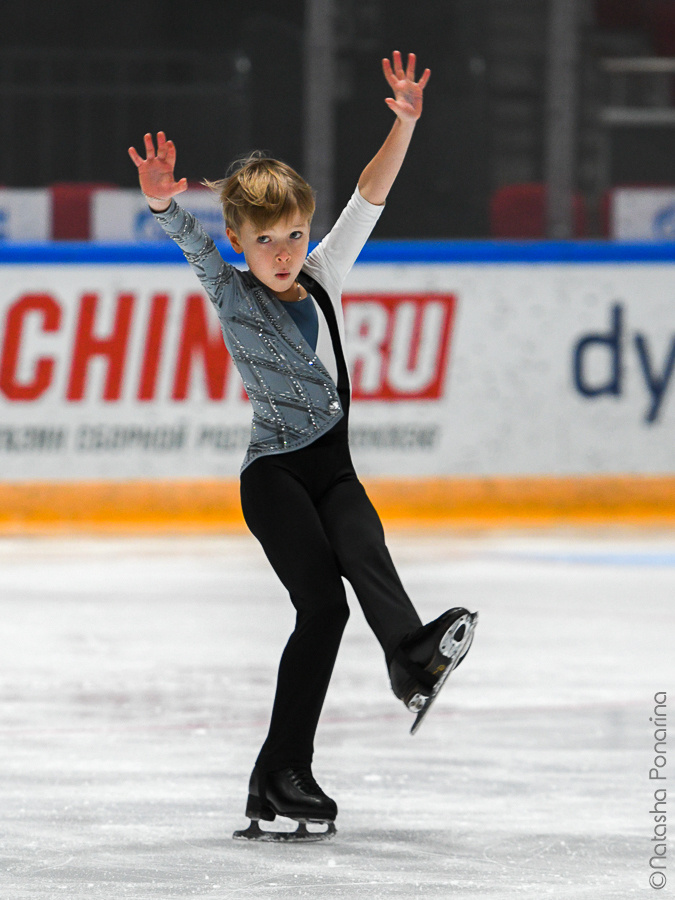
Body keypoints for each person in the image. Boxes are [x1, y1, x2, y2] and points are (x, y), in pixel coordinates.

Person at [128, 51, 477, 842]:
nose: (284, 252)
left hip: (335, 467)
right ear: (239, 240)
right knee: (321, 607)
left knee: (366, 546)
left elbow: (369, 196)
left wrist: (404, 124)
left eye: (294, 234)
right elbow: (187, 240)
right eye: (266, 240)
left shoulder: (323, 275)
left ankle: (409, 658)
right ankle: (284, 770)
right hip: (274, 476)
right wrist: (160, 202)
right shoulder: (230, 290)